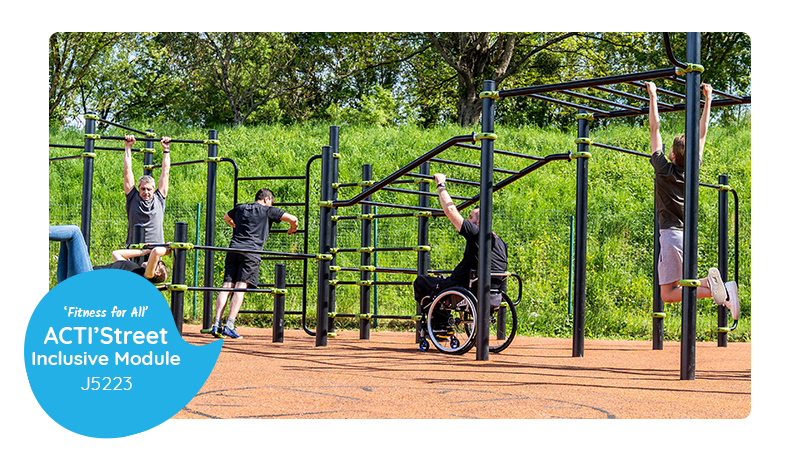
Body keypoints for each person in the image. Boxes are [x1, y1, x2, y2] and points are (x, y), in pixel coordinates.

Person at [645, 81, 740, 323]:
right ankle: (714, 285)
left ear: (673, 155)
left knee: (668, 293)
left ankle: (723, 293)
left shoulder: (663, 170)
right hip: (688, 236)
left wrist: (653, 94)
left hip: (670, 236)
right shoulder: (692, 169)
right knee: (681, 284)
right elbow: (703, 131)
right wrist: (708, 99)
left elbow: (655, 129)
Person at [413, 173, 508, 328]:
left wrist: (440, 184)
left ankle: (440, 325)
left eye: (470, 217)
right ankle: (440, 324)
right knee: (439, 280)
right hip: (493, 293)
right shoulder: (500, 242)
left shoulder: (476, 233)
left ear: (478, 223)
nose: (467, 220)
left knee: (421, 281)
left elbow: (450, 210)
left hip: (463, 289)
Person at [211, 188, 299, 339]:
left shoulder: (240, 208)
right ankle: (229, 325)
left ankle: (216, 324)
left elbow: (226, 217)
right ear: (266, 199)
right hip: (251, 253)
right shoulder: (267, 211)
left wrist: (236, 226)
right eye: (270, 202)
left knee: (226, 286)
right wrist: (293, 229)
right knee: (240, 287)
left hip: (233, 249)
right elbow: (293, 219)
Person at [47, 225, 170, 284]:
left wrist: (168, 249)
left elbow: (156, 252)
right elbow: (117, 253)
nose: (154, 260)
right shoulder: (134, 270)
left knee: (75, 232)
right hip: (76, 280)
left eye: (157, 262)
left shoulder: (146, 277)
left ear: (156, 272)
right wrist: (143, 252)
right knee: (66, 239)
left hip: (86, 280)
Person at [123, 135, 171, 246]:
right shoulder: (132, 197)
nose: (146, 192)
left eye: (149, 189)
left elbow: (165, 173)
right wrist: (127, 147)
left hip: (155, 248)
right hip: (134, 247)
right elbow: (127, 171)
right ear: (138, 189)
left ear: (154, 189)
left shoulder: (159, 198)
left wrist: (166, 150)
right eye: (143, 189)